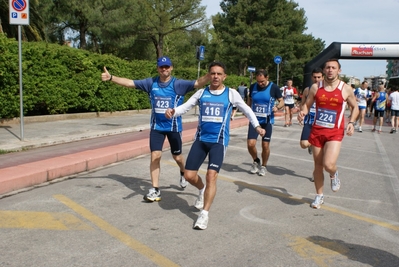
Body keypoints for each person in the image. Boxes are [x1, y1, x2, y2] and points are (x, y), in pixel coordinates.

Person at [165, 61, 265, 230]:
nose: (216, 76)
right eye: (213, 73)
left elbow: (247, 110)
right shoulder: (202, 93)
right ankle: (202, 189)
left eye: (219, 74)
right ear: (208, 75)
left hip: (218, 142)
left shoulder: (231, 94)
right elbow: (185, 106)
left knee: (212, 175)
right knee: (189, 176)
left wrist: (256, 126)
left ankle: (204, 214)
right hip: (201, 141)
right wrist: (173, 111)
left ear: (224, 76)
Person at [101, 56, 210, 202]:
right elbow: (129, 83)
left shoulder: (179, 84)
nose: (164, 69)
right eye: (161, 67)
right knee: (155, 156)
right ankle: (155, 189)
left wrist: (211, 74)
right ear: (158, 68)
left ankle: (183, 172)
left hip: (173, 128)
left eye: (167, 67)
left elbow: (197, 83)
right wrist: (111, 78)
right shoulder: (150, 83)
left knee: (177, 157)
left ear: (171, 68)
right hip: (156, 127)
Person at [297, 58, 359, 209]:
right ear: (324, 70)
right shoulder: (315, 87)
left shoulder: (345, 88)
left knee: (328, 164)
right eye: (328, 67)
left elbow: (355, 107)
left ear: (339, 70)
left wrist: (351, 122)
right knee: (318, 166)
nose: (330, 70)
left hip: (334, 132)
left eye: (334, 67)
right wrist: (302, 113)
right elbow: (307, 104)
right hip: (317, 130)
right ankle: (319, 196)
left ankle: (334, 173)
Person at [247, 69, 284, 176]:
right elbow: (249, 99)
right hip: (255, 121)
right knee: (250, 144)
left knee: (265, 145)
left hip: (267, 120)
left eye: (262, 81)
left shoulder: (274, 87)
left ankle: (263, 166)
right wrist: (247, 109)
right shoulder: (253, 86)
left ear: (267, 78)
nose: (260, 84)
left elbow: (282, 101)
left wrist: (277, 107)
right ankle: (256, 160)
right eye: (258, 81)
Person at [299, 68, 324, 157]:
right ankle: (311, 145)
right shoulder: (307, 90)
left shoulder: (326, 90)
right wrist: (301, 114)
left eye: (319, 77)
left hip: (321, 121)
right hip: (309, 120)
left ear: (323, 77)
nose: (316, 79)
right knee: (303, 144)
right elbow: (302, 104)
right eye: (314, 77)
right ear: (311, 77)